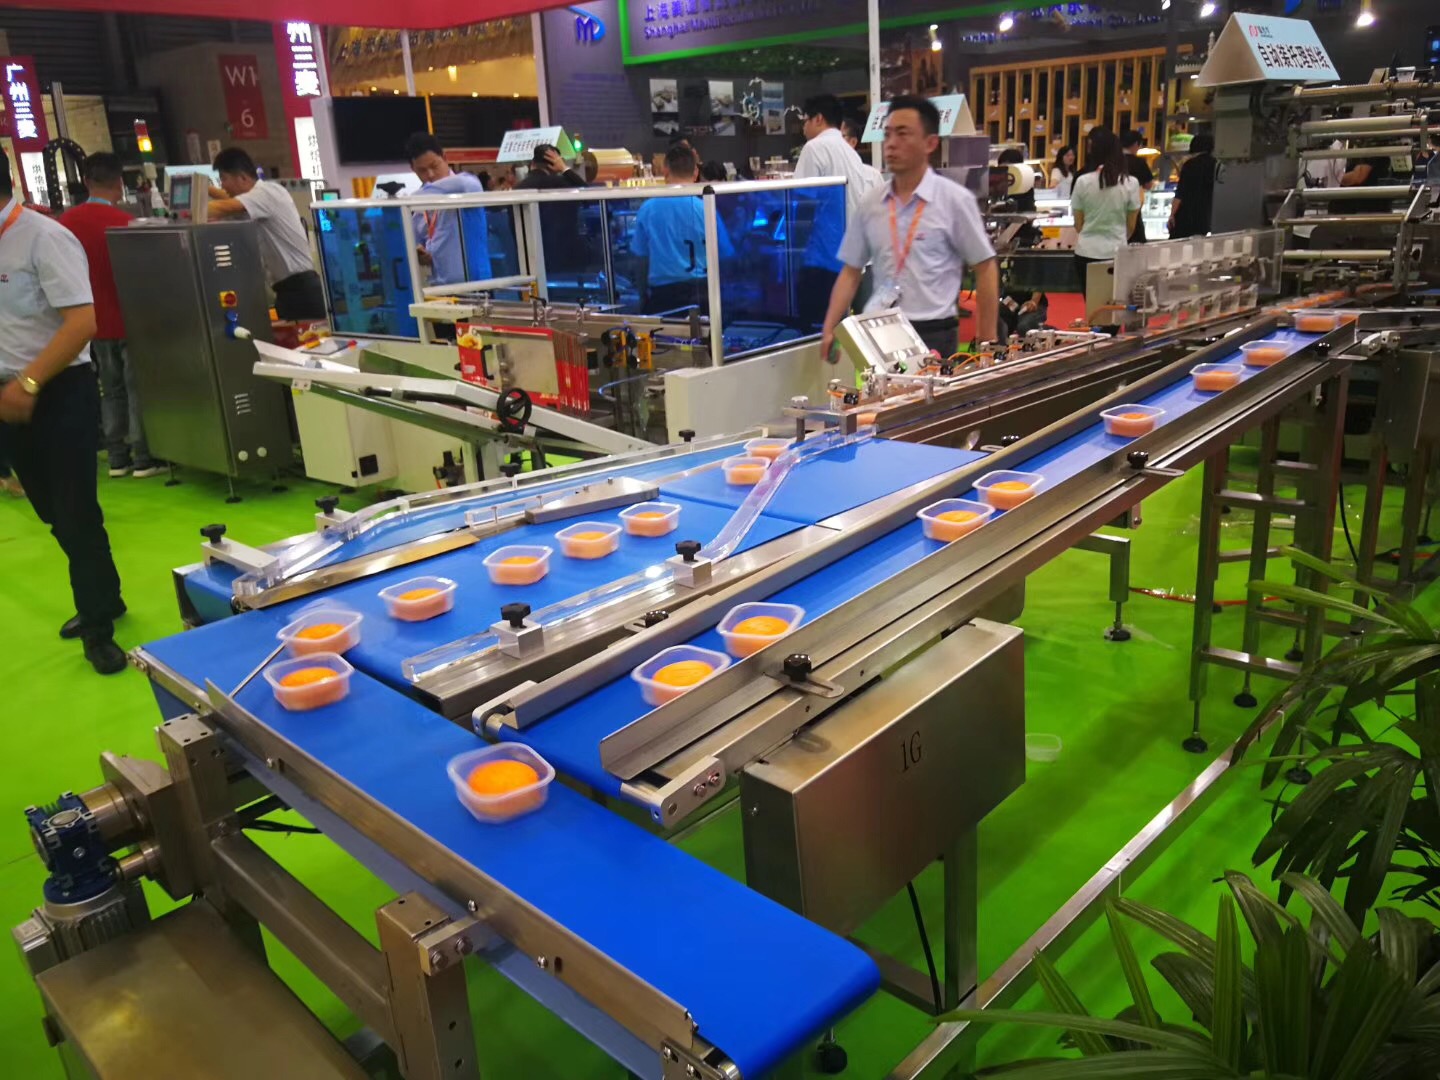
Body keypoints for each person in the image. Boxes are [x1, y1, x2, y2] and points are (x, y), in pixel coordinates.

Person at [0, 154, 127, 674]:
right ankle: (107, 594)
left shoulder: (43, 238)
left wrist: (30, 382)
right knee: (52, 511)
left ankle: (98, 627)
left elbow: (82, 322)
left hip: (56, 391)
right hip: (9, 395)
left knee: (75, 513)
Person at [820, 95, 999, 362]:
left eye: (903, 134)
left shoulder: (954, 201)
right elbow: (851, 271)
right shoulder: (872, 202)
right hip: (880, 332)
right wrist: (829, 327)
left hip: (934, 332)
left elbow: (985, 267)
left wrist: (987, 339)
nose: (891, 143)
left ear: (930, 143)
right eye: (888, 134)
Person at [59, 152, 160, 480]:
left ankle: (117, 458)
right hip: (130, 320)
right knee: (136, 389)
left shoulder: (64, 226)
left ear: (86, 181)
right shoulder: (124, 225)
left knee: (110, 389)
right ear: (119, 182)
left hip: (91, 324)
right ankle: (144, 457)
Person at [793, 93, 883, 329]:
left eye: (805, 120)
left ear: (818, 119)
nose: (803, 127)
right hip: (848, 257)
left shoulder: (814, 148)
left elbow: (803, 204)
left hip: (822, 260)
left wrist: (794, 249)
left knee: (817, 330)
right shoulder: (849, 152)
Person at [207, 148, 325, 319]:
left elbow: (224, 206)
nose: (222, 186)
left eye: (224, 179)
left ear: (242, 177)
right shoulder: (253, 201)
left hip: (303, 292)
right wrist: (203, 188)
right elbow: (227, 199)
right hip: (286, 292)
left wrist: (184, 208)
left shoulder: (267, 193)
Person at [632, 144, 733, 315]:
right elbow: (726, 254)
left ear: (665, 171)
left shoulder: (648, 209)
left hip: (664, 297)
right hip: (704, 293)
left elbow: (641, 260)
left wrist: (642, 295)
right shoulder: (706, 208)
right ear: (696, 173)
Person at [404, 132, 486, 288]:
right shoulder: (419, 208)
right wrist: (420, 253)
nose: (430, 175)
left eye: (434, 166)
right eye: (422, 170)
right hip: (439, 287)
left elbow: (463, 185)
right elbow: (415, 242)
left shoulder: (466, 185)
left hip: (475, 286)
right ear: (413, 169)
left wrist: (403, 200)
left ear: (445, 158)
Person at [1069, 128, 1141, 281]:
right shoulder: (1131, 183)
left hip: (1086, 251)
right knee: (1116, 296)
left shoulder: (1082, 181)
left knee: (1091, 296)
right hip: (1117, 252)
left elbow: (1078, 224)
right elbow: (1131, 226)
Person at [1167, 134, 1219, 240]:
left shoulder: (1189, 165)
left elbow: (1180, 193)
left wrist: (1172, 214)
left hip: (1186, 215)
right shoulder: (1216, 165)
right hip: (1206, 216)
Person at [1120, 130, 1154, 243]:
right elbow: (1148, 185)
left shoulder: (1113, 161)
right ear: (1136, 144)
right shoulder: (1139, 162)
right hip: (1134, 204)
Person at [1339, 149, 1394, 215]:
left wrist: (1334, 179)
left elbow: (1357, 177)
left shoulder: (1373, 153)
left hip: (1360, 206)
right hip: (1353, 206)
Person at [517, 144, 588, 191]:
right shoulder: (562, 184)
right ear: (556, 164)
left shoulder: (519, 187)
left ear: (532, 163)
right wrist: (564, 168)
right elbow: (588, 195)